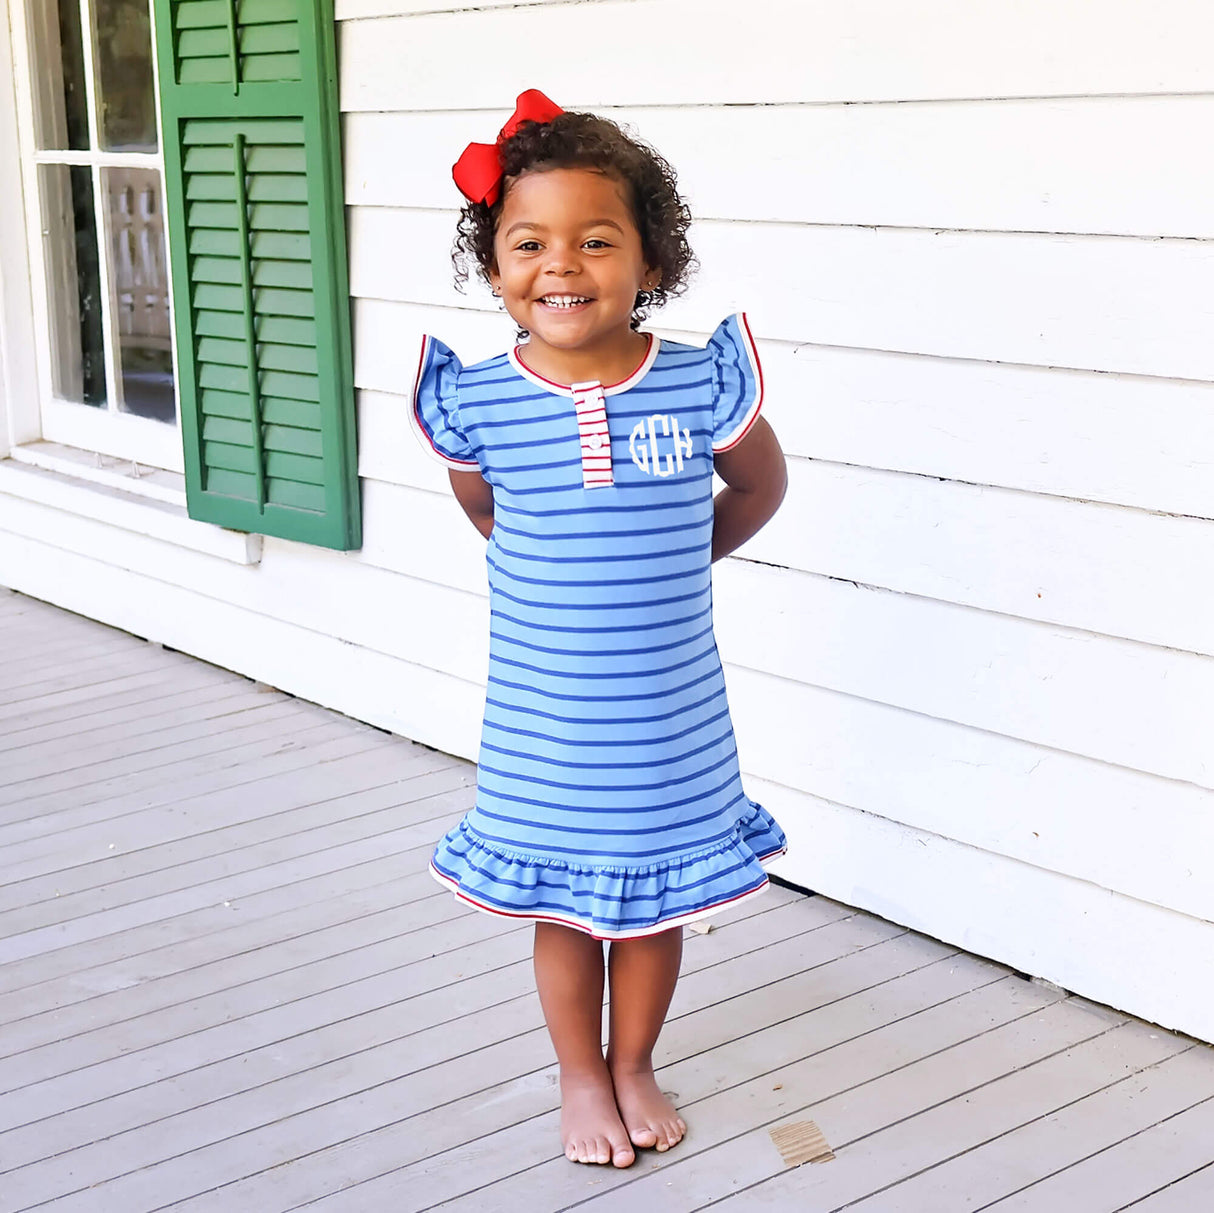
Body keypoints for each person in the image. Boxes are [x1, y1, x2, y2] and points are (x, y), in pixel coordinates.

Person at [411, 89, 789, 1170]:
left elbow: (756, 491)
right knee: (568, 912)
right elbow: (489, 514)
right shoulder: (478, 404)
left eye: (594, 239)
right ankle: (580, 1072)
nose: (559, 264)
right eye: (526, 243)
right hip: (547, 723)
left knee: (656, 901)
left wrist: (677, 560)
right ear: (493, 270)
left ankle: (633, 1062)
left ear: (650, 262)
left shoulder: (695, 382)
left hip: (670, 718)